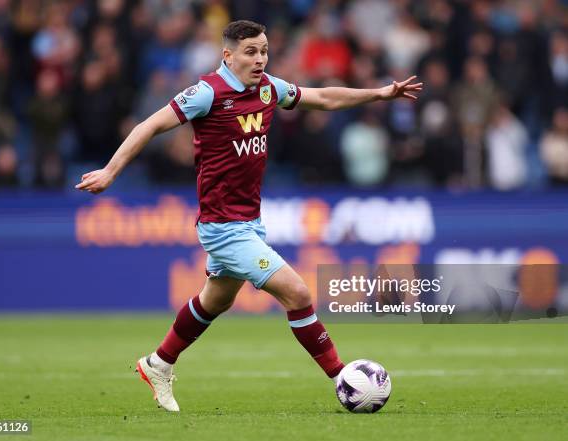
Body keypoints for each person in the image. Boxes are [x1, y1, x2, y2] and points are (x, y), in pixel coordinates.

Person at [76, 20, 422, 412]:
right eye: (251, 52)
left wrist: (379, 94)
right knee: (298, 293)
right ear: (228, 55)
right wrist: (111, 170)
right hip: (222, 228)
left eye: (264, 51)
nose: (260, 59)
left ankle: (159, 363)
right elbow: (150, 124)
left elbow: (323, 98)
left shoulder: (270, 88)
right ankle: (344, 378)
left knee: (215, 301)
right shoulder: (208, 92)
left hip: (249, 221)